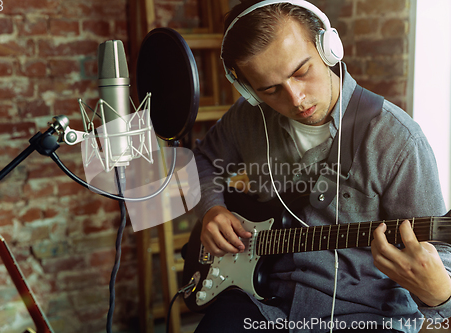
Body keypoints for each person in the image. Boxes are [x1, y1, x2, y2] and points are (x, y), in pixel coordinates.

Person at [191, 0, 451, 332]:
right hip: (264, 300)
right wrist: (211, 209)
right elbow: (200, 162)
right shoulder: (247, 118)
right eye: (270, 90)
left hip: (365, 315)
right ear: (248, 89)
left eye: (302, 72)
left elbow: (441, 256)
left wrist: (439, 293)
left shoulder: (398, 140)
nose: (296, 98)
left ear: (329, 48)